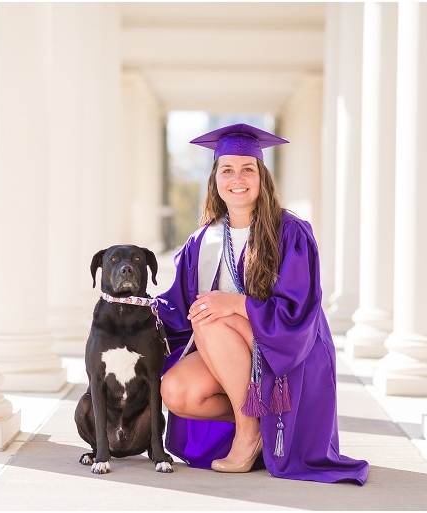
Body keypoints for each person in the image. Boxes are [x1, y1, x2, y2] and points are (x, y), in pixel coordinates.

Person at [155, 123, 369, 484]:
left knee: (209, 316)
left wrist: (235, 303)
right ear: (215, 179)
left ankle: (250, 433)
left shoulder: (289, 232)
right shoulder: (202, 240)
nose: (237, 178)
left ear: (262, 176)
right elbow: (175, 307)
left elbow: (297, 310)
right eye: (227, 170)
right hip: (232, 352)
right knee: (177, 390)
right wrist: (120, 312)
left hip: (286, 350)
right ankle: (259, 422)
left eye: (247, 169)